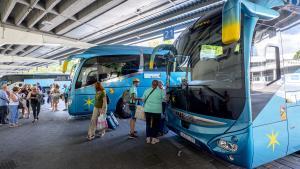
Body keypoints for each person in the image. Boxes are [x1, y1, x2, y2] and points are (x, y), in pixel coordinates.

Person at [142, 80, 165, 144]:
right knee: (156, 124)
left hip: (147, 110)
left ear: (151, 84)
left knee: (148, 124)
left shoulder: (146, 90)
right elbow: (165, 99)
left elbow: (143, 99)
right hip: (156, 111)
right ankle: (154, 139)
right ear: (157, 84)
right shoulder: (161, 91)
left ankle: (148, 138)